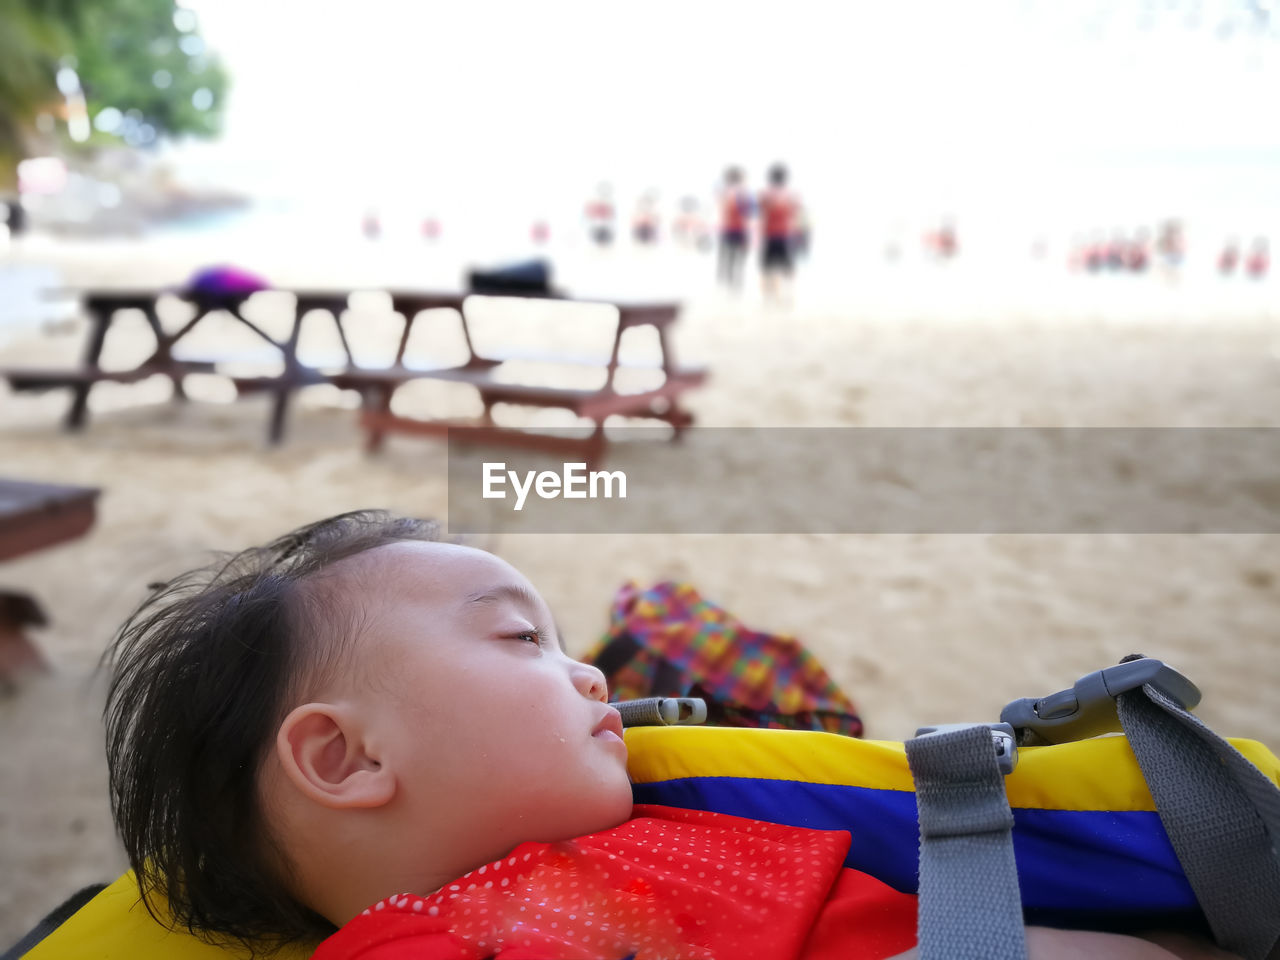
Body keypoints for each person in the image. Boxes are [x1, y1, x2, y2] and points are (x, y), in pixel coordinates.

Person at [103, 512, 1240, 960]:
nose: (589, 667)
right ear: (348, 760)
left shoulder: (643, 825)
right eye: (519, 641)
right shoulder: (424, 946)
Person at [758, 163, 799, 301]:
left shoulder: (764, 195)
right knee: (787, 267)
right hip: (784, 235)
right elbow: (795, 213)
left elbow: (760, 212)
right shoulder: (791, 195)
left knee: (767, 268)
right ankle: (788, 294)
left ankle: (769, 295)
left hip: (769, 235)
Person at [717, 166, 751, 288]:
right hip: (738, 229)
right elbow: (748, 212)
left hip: (728, 228)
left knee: (729, 256)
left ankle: (729, 280)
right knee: (738, 257)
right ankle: (735, 280)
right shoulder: (742, 193)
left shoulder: (724, 192)